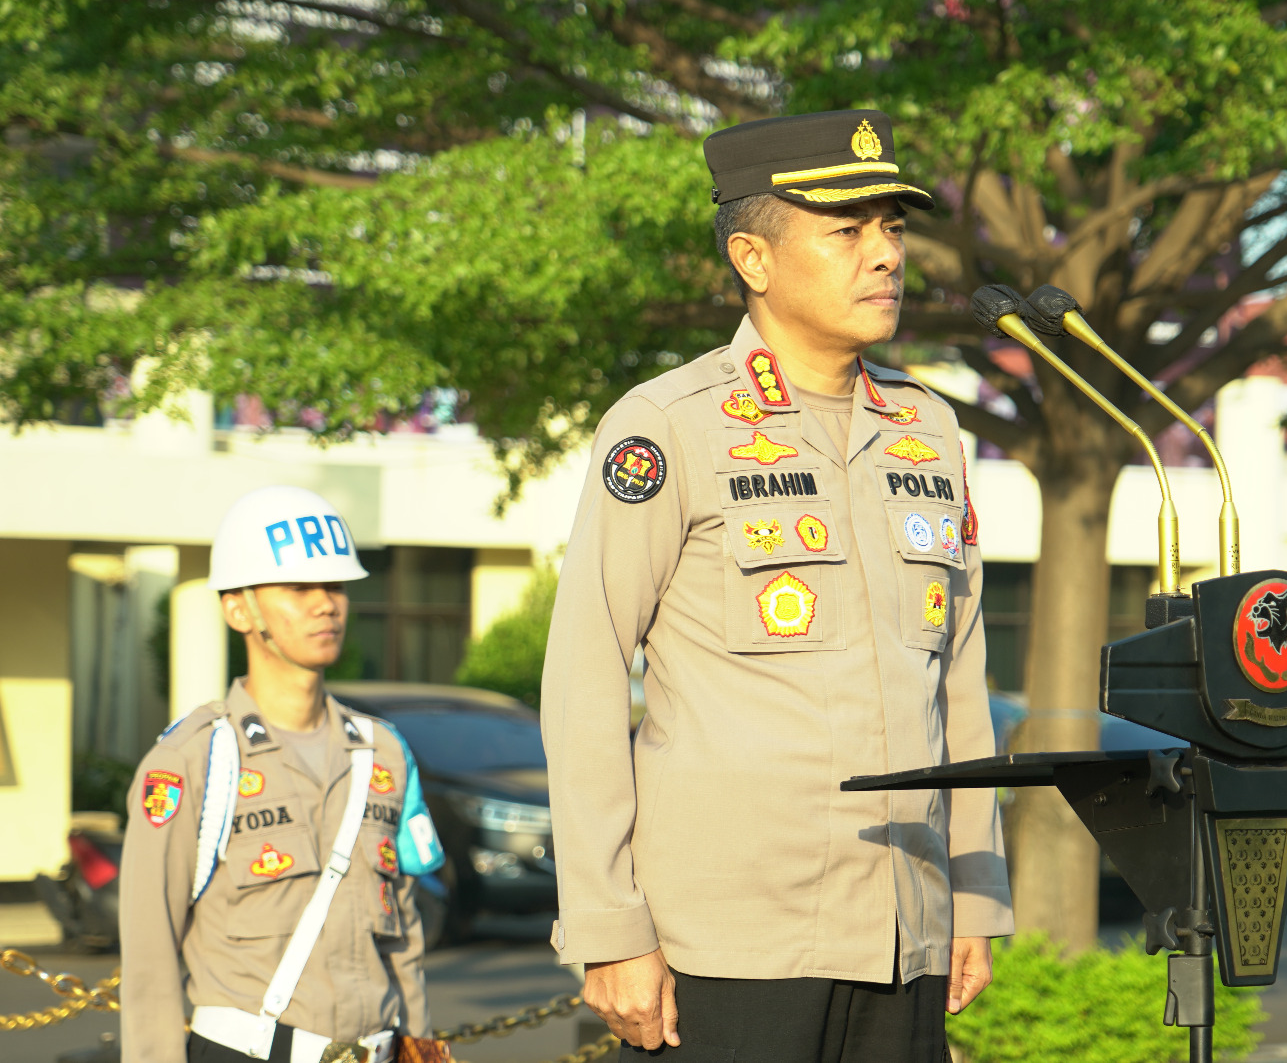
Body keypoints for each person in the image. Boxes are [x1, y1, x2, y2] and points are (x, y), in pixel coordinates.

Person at [541, 109, 1013, 1063]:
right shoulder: (670, 425)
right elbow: (585, 675)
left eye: (893, 228)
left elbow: (957, 680)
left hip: (904, 925)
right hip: (728, 940)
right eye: (847, 231)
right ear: (753, 258)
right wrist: (609, 927)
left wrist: (974, 890)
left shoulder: (927, 429)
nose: (885, 255)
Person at [120, 485, 446, 1063]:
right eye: (298, 587)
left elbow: (405, 935)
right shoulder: (192, 759)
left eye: (336, 585)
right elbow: (150, 953)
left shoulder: (384, 753)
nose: (326, 604)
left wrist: (419, 1041)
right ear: (238, 609)